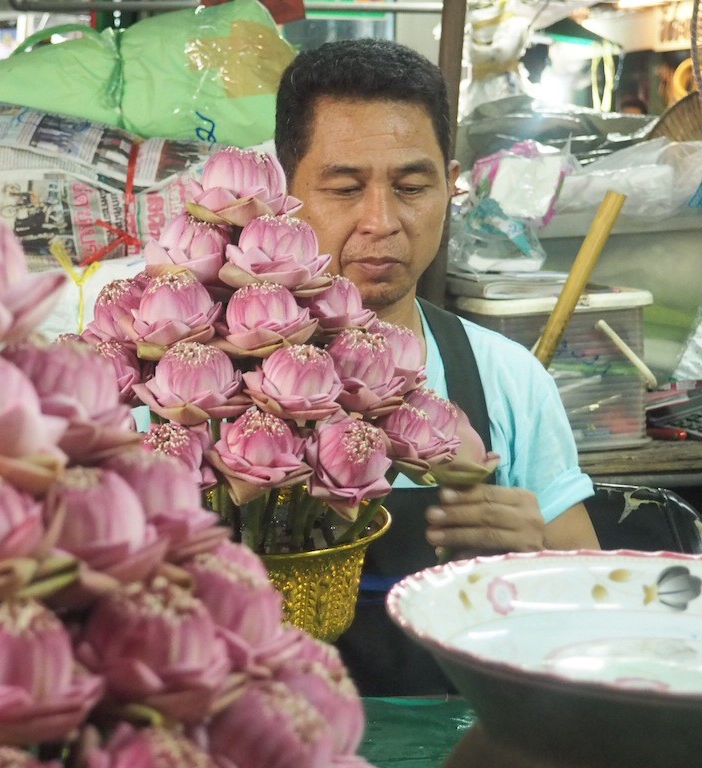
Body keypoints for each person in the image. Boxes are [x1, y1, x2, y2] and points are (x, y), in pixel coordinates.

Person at [275, 38, 601, 695]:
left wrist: (533, 563)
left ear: (449, 186)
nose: (382, 221)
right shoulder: (207, 384)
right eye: (344, 188)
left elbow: (593, 610)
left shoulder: (506, 380)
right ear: (284, 193)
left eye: (412, 186)